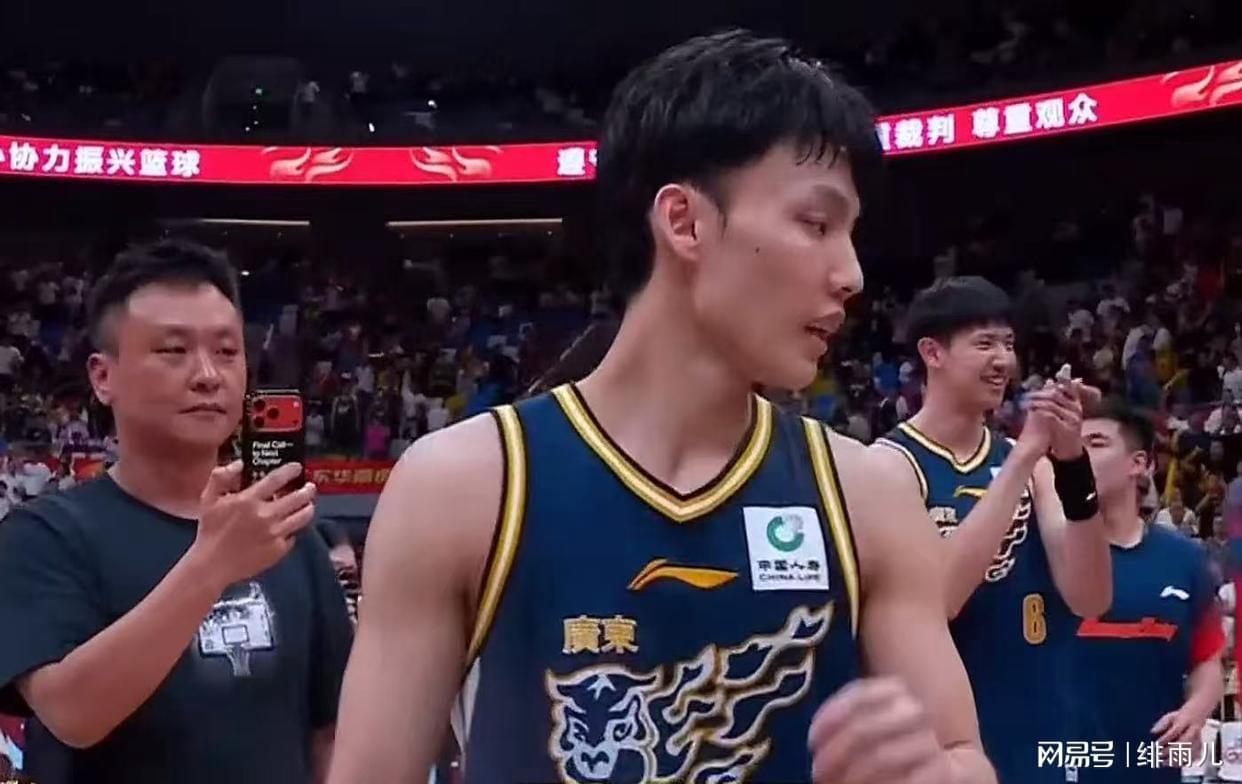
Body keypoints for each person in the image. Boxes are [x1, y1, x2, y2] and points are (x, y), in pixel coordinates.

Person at [329, 30, 995, 784]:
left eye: (850, 234)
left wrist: (931, 776)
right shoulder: (464, 486)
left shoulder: (867, 495)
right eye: (816, 224)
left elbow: (963, 758)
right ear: (684, 222)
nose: (851, 274)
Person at [0, 239, 354, 783]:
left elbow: (330, 730)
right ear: (103, 377)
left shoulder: (287, 533)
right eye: (173, 350)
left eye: (227, 351)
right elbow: (71, 714)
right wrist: (211, 566)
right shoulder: (42, 536)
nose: (208, 375)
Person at [872, 276, 1112, 783]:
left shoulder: (1032, 468)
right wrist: (1025, 456)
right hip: (943, 744)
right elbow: (940, 601)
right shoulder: (887, 465)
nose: (1003, 360)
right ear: (933, 352)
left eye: (1008, 343)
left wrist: (1071, 463)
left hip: (1040, 730)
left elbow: (1090, 596)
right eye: (984, 344)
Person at [1076, 401, 1224, 783]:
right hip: (1060, 763)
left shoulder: (1185, 559)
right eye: (1073, 444)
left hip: (1153, 765)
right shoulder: (1045, 554)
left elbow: (1207, 662)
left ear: (1138, 463)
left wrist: (1195, 712)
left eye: (1095, 442)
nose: (1077, 454)